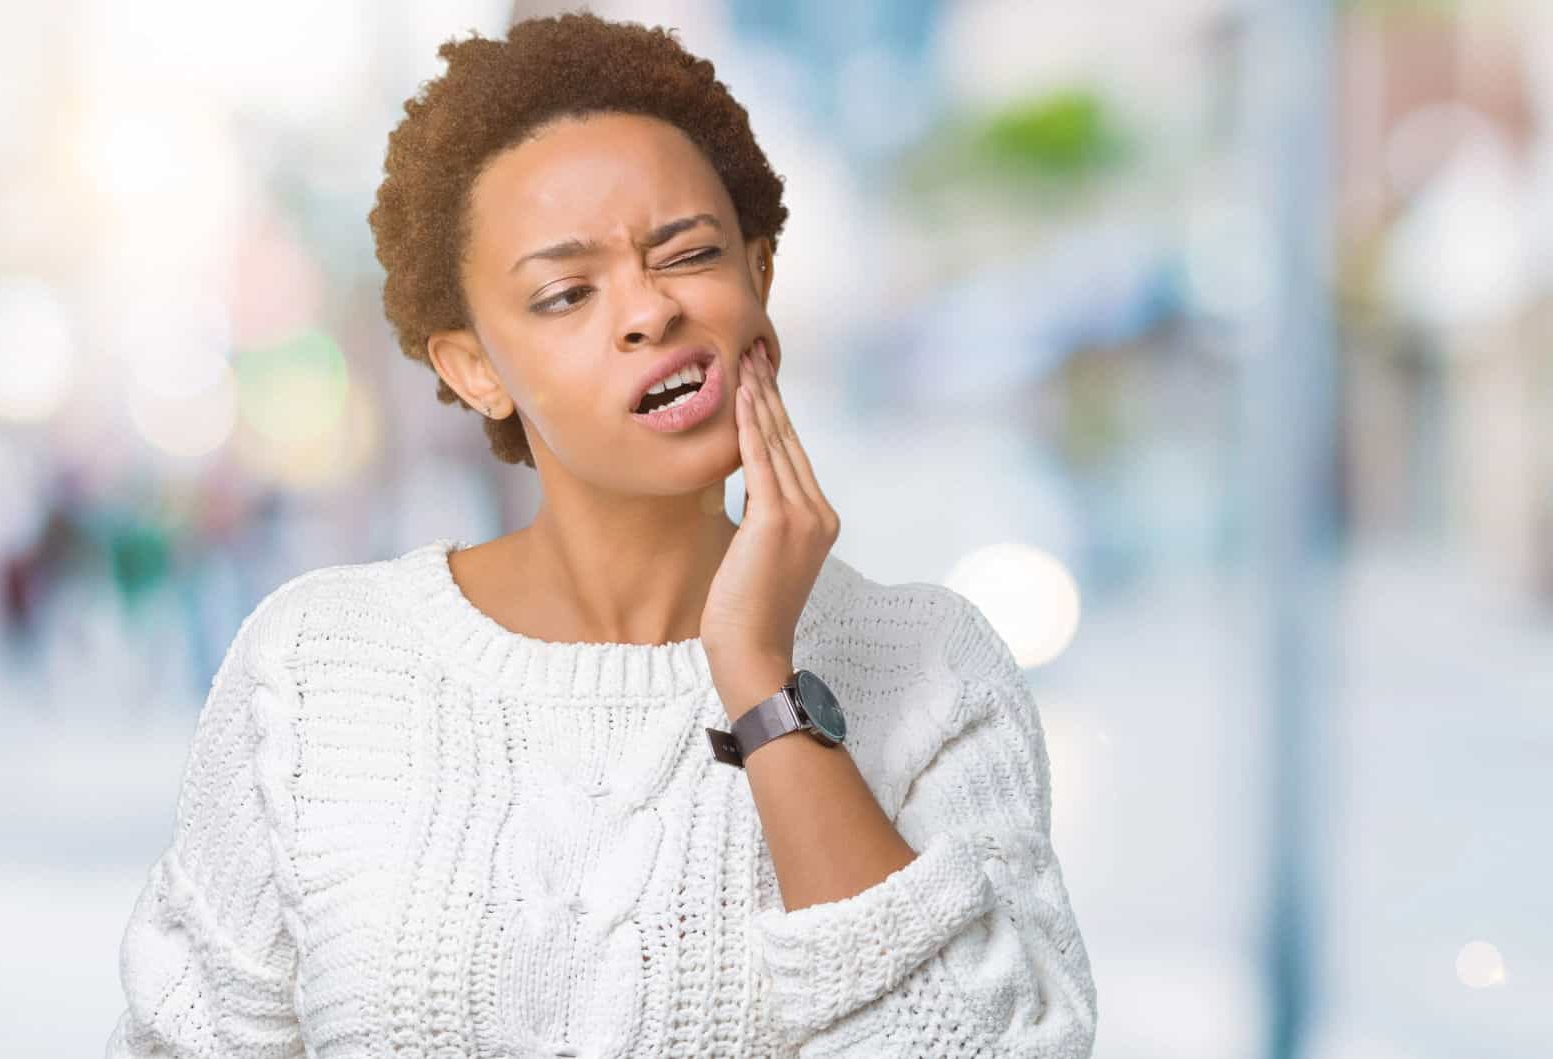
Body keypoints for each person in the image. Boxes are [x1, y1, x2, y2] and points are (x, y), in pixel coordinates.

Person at [106, 12, 1097, 1057]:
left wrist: (761, 685)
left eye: (693, 254)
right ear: (472, 368)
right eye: (566, 293)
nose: (647, 313)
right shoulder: (314, 666)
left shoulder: (935, 671)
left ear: (759, 278)